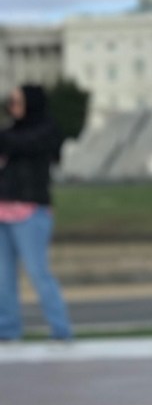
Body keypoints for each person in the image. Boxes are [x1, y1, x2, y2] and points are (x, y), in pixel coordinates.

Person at [0, 84, 72, 340]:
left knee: (38, 273)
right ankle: (7, 331)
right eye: (11, 102)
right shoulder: (9, 132)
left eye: (18, 102)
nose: (12, 107)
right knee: (3, 277)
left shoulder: (46, 130)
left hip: (31, 211)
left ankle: (61, 330)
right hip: (3, 211)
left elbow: (25, 145)